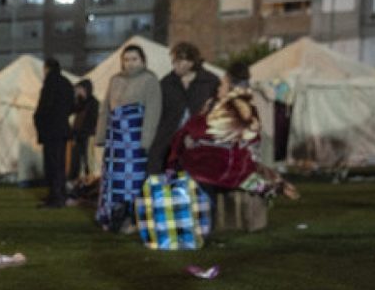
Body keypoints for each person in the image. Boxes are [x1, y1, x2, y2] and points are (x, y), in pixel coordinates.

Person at [167, 62, 298, 201]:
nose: (218, 88)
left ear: (230, 84)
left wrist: (188, 136)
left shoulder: (230, 107)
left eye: (222, 84)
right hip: (240, 169)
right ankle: (270, 188)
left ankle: (204, 214)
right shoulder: (248, 106)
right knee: (247, 178)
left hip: (216, 167)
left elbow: (197, 129)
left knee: (192, 169)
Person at [94, 44, 161, 233]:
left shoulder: (149, 80)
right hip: (115, 141)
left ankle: (131, 220)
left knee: (132, 183)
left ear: (142, 60)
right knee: (113, 181)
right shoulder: (115, 80)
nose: (130, 63)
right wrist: (101, 136)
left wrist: (145, 142)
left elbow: (153, 112)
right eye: (126, 59)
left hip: (135, 140)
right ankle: (112, 217)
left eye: (134, 59)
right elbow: (106, 109)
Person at [147, 42, 220, 175]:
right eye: (174, 61)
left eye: (179, 61)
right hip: (168, 142)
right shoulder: (166, 83)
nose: (175, 64)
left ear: (191, 61)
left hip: (199, 143)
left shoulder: (210, 82)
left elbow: (217, 110)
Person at [33, 57, 75, 208]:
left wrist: (38, 119)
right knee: (60, 165)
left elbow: (45, 106)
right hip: (62, 129)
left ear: (47, 68)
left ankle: (55, 197)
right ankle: (59, 194)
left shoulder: (50, 83)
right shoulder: (67, 83)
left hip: (51, 130)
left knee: (52, 165)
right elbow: (73, 105)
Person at [69, 79, 99, 183]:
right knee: (75, 160)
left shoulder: (93, 103)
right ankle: (74, 181)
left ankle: (90, 181)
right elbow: (72, 111)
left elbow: (93, 121)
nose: (78, 91)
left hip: (88, 136)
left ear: (86, 89)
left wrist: (86, 131)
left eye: (80, 89)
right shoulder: (80, 103)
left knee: (88, 161)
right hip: (78, 136)